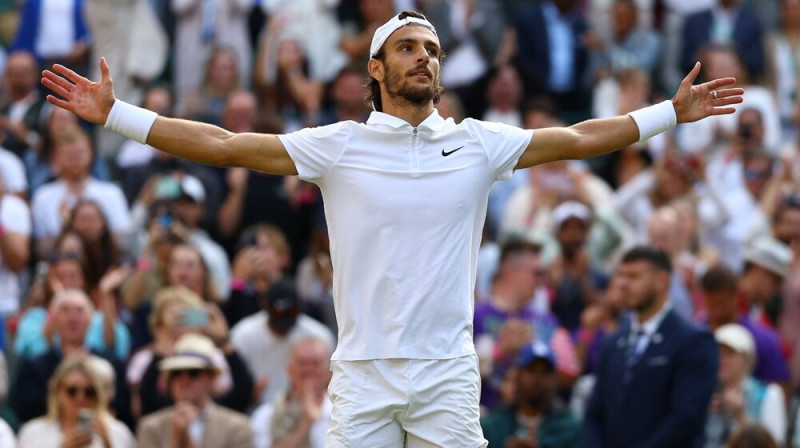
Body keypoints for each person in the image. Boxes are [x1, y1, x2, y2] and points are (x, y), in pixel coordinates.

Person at [41, 9, 743, 446]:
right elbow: (225, 144)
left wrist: (668, 114)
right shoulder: (337, 145)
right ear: (376, 68)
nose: (425, 58)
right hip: (362, 373)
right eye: (409, 48)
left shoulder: (477, 142)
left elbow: (582, 137)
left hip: (446, 373)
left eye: (432, 49)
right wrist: (118, 116)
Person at [584, 247, 719, 448]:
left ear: (662, 281)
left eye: (634, 276)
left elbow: (686, 418)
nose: (622, 284)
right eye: (621, 275)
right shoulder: (612, 343)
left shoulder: (695, 341)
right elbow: (595, 413)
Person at [136, 333, 255, 448]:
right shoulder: (150, 427)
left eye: (193, 372)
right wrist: (175, 438)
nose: (184, 380)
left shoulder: (237, 427)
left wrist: (187, 440)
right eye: (176, 373)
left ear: (211, 378)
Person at [481, 340, 582, 448]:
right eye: (531, 370)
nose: (538, 377)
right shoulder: (493, 425)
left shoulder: (569, 428)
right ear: (518, 376)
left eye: (545, 371)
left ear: (554, 379)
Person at [17, 356, 135, 448]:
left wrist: (108, 446)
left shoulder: (117, 432)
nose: (80, 398)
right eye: (72, 391)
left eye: (89, 392)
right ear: (58, 391)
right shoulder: (33, 433)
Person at [705, 323, 786, 447]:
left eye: (730, 353)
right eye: (719, 352)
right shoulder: (704, 393)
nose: (722, 359)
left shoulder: (768, 394)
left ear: (746, 358)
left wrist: (740, 415)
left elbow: (774, 443)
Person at [250, 337, 333, 448]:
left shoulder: (341, 413)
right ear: (289, 369)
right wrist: (305, 424)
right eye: (302, 363)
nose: (308, 370)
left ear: (329, 372)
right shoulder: (266, 414)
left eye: (315, 364)